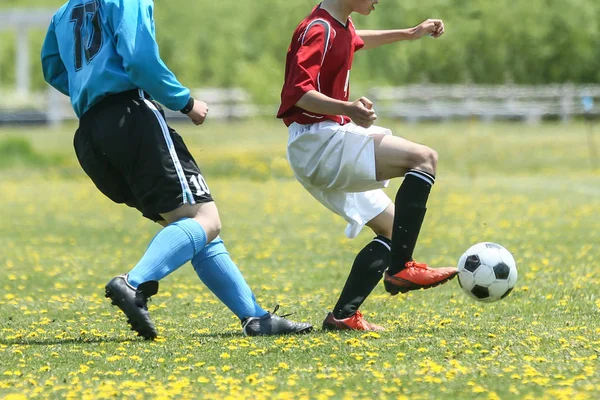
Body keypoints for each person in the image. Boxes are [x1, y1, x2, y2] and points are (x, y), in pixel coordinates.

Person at [41, 0, 312, 339]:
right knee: (205, 220)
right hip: (131, 117)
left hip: (91, 133)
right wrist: (184, 101)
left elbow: (53, 68)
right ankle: (133, 283)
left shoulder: (65, 12)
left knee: (191, 224)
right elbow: (139, 58)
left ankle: (255, 317)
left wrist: (91, 86)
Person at [277, 0, 458, 331]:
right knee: (424, 158)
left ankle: (343, 316)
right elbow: (297, 93)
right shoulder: (319, 29)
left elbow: (357, 40)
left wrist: (410, 32)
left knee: (392, 227)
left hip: (323, 139)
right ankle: (402, 267)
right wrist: (348, 106)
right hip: (318, 143)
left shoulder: (338, 25)